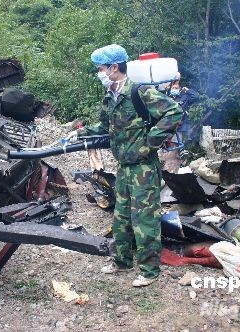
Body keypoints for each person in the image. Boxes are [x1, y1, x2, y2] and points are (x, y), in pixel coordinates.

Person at [67, 44, 182, 286]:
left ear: (114, 67)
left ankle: (150, 271)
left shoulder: (139, 93)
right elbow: (104, 127)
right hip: (124, 167)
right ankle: (122, 261)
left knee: (145, 219)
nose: (99, 73)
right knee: (121, 217)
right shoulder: (110, 96)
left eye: (100, 69)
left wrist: (150, 141)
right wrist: (81, 133)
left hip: (143, 168)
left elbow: (173, 112)